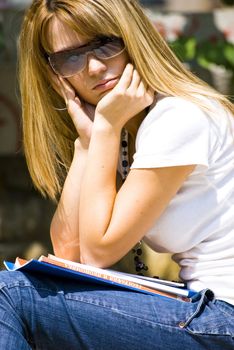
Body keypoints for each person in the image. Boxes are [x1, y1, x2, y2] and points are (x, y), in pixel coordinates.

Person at [0, 0, 233, 348]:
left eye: (104, 44)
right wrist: (88, 142)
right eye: (70, 58)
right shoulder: (131, 129)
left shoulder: (180, 117)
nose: (93, 67)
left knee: (11, 294)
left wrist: (107, 127)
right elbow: (68, 254)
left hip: (222, 317)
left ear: (133, 37)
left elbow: (98, 254)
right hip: (206, 312)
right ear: (53, 74)